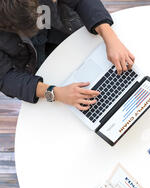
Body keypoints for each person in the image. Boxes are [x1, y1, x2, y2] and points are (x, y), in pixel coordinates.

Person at [0, 0, 135, 110]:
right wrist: (55, 93)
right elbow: (6, 79)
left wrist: (110, 38)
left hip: (64, 33)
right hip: (32, 68)